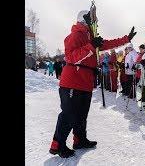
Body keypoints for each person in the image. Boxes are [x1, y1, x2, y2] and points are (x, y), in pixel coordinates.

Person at [49, 9, 136, 158]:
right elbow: (70, 57)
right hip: (72, 81)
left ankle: (79, 140)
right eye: (93, 18)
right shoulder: (75, 35)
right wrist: (90, 46)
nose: (96, 20)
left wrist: (126, 39)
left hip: (85, 81)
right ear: (85, 19)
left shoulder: (91, 36)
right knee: (69, 114)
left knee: (82, 114)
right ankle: (58, 145)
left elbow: (107, 44)